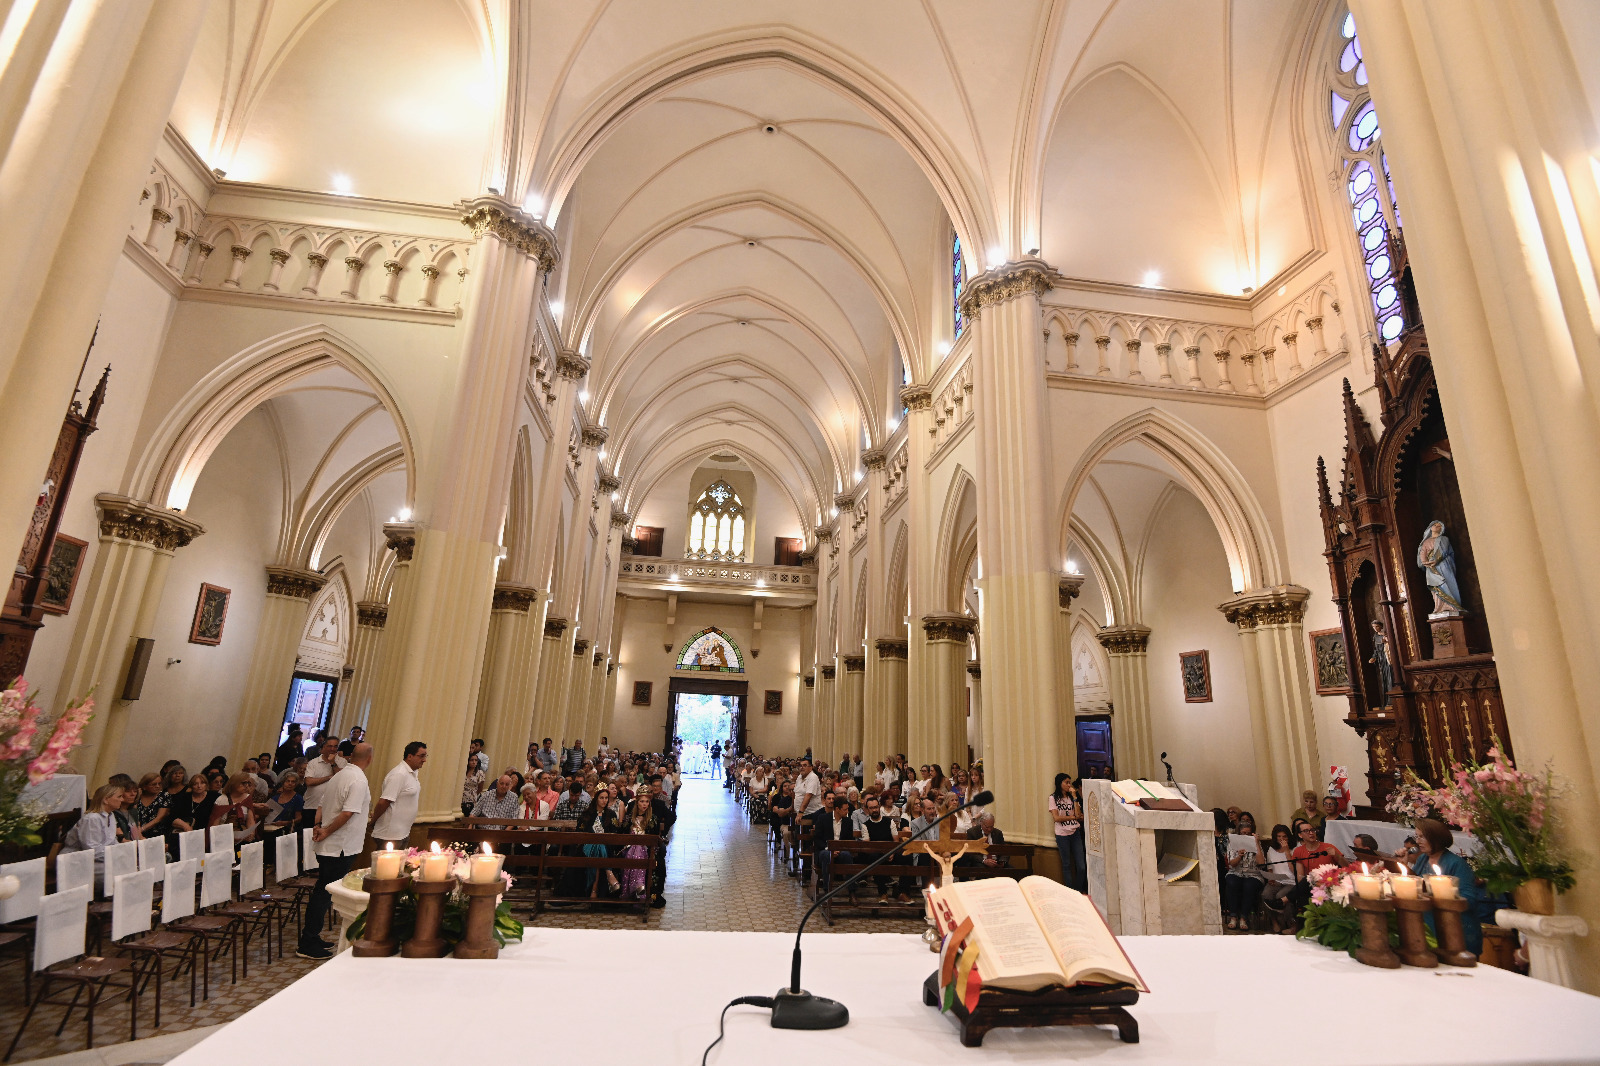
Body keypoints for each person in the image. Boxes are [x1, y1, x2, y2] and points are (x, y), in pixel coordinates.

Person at [297, 743, 374, 960]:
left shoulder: (339, 775)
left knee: (323, 890)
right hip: (340, 845)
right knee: (324, 892)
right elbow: (348, 813)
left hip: (330, 843)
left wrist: (318, 826)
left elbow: (321, 804)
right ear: (369, 758)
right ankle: (307, 942)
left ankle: (312, 937)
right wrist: (326, 831)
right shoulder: (357, 779)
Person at [1412, 817, 1483, 955]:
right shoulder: (1422, 859)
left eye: (1422, 837)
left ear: (1436, 838)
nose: (1417, 841)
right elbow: (1416, 884)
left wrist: (1441, 894)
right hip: (1428, 926)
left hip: (1455, 929)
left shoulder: (1456, 863)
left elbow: (1469, 899)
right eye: (1417, 836)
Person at [60, 783, 127, 890]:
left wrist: (122, 853)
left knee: (129, 865)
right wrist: (115, 857)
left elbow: (112, 841)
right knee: (116, 871)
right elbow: (92, 850)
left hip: (98, 858)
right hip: (77, 860)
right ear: (106, 800)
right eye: (119, 796)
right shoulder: (92, 819)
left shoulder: (110, 815)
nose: (122, 800)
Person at [371, 741, 427, 845]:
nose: (424, 760)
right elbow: (384, 802)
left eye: (425, 756)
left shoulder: (412, 773)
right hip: (390, 834)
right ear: (409, 756)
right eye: (421, 756)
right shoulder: (399, 774)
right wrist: (373, 821)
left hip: (403, 832)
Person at [1223, 811, 1268, 930]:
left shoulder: (1256, 843)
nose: (1246, 836)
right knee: (1232, 882)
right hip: (1236, 872)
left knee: (1249, 885)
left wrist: (1256, 844)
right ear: (1239, 833)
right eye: (1243, 833)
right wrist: (1239, 856)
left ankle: (1244, 917)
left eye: (1248, 834)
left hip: (1253, 874)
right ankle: (1233, 916)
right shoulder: (1233, 843)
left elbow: (1261, 863)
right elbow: (1231, 864)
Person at [1048, 772, 1085, 891]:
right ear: (1060, 783)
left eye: (1070, 782)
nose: (1069, 785)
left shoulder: (1072, 797)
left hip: (1075, 833)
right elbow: (1056, 818)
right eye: (1066, 782)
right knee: (1067, 864)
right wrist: (1073, 817)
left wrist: (1074, 797)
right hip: (1062, 834)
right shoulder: (1053, 798)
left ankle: (1078, 890)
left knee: (1081, 866)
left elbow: (1079, 814)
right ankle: (1070, 891)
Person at [1261, 824, 1299, 933]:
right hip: (1277, 880)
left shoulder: (1295, 848)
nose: (1282, 839)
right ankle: (1275, 921)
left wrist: (1287, 851)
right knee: (1266, 895)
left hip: (1291, 881)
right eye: (1279, 837)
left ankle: (1291, 923)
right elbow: (1270, 867)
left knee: (1280, 896)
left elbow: (1294, 870)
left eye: (1284, 836)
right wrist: (1270, 877)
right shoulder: (1271, 849)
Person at [302, 736, 345, 829]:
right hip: (312, 806)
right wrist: (329, 777)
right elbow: (308, 781)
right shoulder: (313, 763)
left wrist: (333, 763)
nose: (332, 749)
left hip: (331, 808)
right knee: (307, 837)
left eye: (335, 746)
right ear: (324, 747)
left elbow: (341, 779)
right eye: (330, 746)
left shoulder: (342, 762)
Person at [127, 772, 170, 841]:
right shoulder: (138, 796)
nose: (157, 786)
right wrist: (137, 796)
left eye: (159, 783)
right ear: (144, 786)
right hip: (136, 832)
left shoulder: (164, 795)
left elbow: (159, 817)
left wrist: (142, 829)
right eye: (154, 784)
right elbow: (133, 813)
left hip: (156, 832)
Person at [262, 771, 305, 841]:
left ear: (296, 784)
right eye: (288, 781)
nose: (290, 784)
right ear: (283, 783)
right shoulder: (275, 797)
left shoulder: (298, 798)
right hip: (270, 829)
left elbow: (299, 818)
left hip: (286, 831)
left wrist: (286, 822)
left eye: (293, 782)